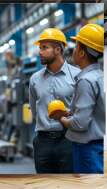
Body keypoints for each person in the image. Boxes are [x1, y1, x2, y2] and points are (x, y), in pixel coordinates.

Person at [29, 28, 81, 173]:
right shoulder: (34, 79)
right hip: (42, 142)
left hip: (68, 140)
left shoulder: (77, 76)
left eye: (45, 47)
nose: (40, 51)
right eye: (40, 48)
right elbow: (34, 110)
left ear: (58, 49)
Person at [57, 24, 105, 174]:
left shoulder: (86, 81)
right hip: (98, 146)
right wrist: (68, 111)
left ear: (82, 53)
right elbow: (93, 111)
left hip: (87, 149)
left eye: (76, 46)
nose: (74, 50)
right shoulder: (100, 76)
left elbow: (79, 124)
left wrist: (60, 118)